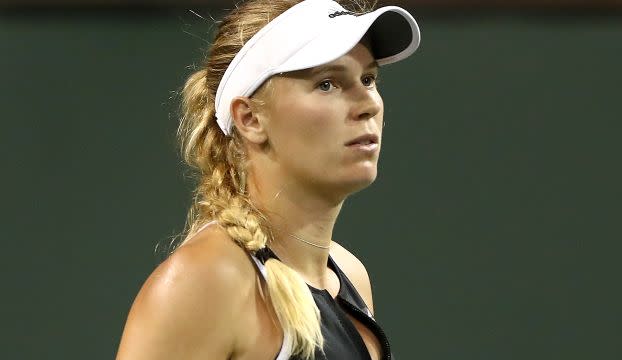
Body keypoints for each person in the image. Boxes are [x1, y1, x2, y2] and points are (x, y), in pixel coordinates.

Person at [116, 0, 420, 359]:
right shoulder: (207, 281)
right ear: (250, 119)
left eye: (368, 79)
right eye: (327, 84)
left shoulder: (351, 277)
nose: (367, 103)